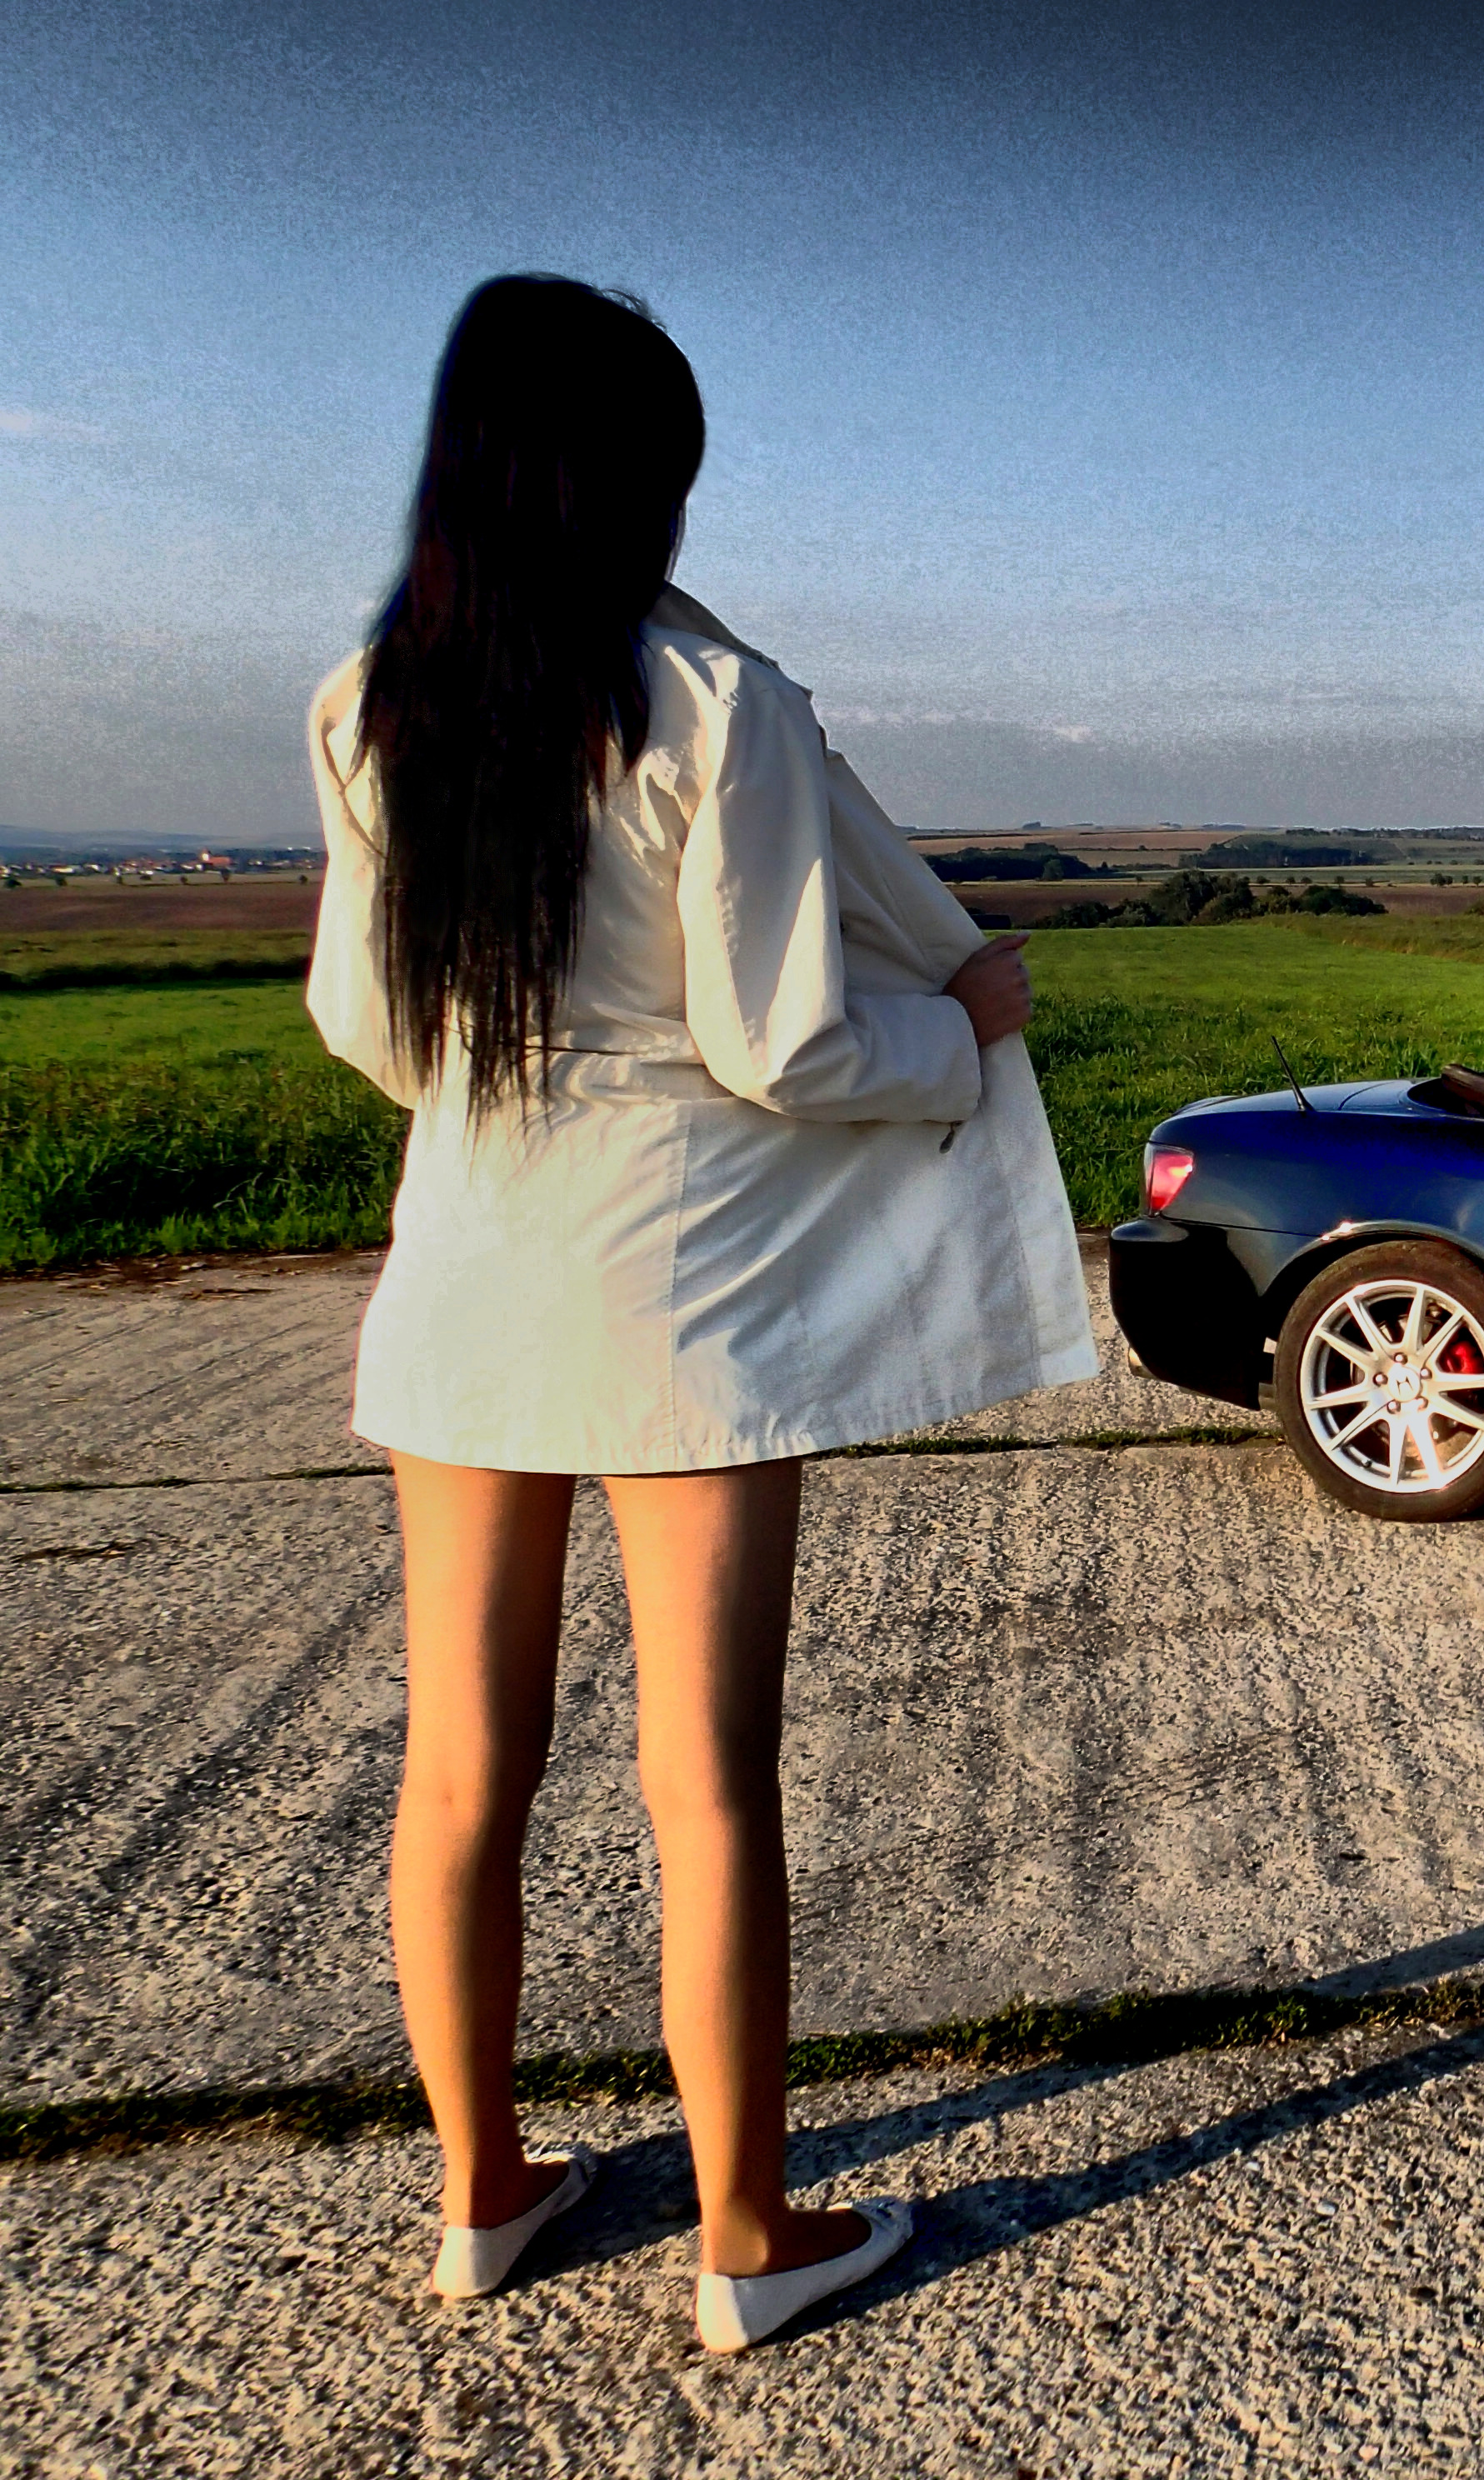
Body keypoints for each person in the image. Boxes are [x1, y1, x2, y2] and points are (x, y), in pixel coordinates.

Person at [305, 276, 1097, 2350]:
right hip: (686, 1300)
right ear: (629, 482)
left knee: (460, 1772)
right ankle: (745, 2233)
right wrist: (961, 1025)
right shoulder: (712, 701)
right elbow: (782, 1043)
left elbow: (368, 1026)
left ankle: (483, 2197)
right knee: (706, 1781)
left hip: (467, 1276)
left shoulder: (371, 701)